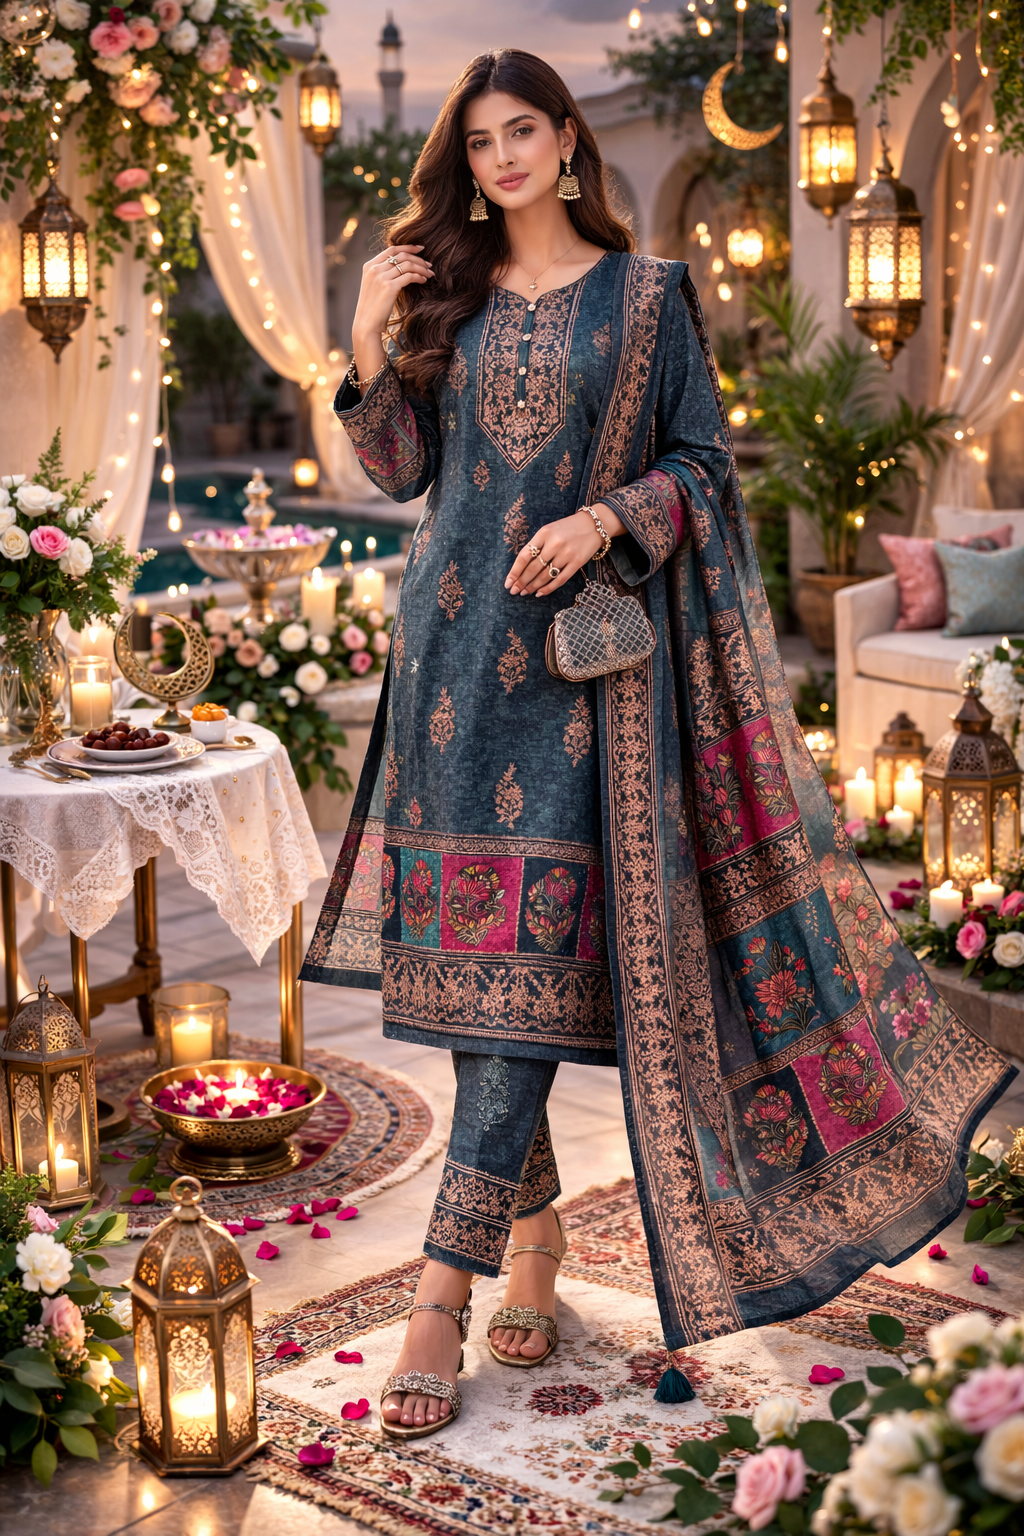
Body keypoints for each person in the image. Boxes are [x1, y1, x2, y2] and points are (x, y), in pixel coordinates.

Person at [302, 48, 1014, 1441]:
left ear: (569, 144)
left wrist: (608, 518)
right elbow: (397, 469)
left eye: (527, 131)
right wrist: (366, 335)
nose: (503, 157)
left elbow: (702, 466)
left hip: (583, 689)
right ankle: (536, 1242)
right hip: (451, 671)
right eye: (483, 139)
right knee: (478, 992)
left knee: (523, 989)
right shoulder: (444, 300)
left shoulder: (646, 303)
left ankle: (437, 1300)